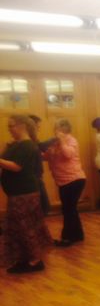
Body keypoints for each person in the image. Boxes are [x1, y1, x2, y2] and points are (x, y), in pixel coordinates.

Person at [0, 115, 51, 273]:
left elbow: (17, 167)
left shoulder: (28, 145)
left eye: (11, 126)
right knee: (18, 228)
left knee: (26, 227)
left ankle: (35, 261)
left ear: (22, 126)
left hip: (24, 193)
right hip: (17, 193)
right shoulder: (18, 144)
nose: (9, 129)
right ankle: (25, 258)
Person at [43, 119, 87, 247]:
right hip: (63, 181)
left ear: (65, 129)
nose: (55, 131)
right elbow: (46, 156)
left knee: (68, 209)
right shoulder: (55, 143)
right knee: (70, 209)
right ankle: (78, 235)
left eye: (57, 128)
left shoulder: (71, 140)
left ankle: (67, 238)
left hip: (74, 180)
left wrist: (62, 140)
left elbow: (68, 154)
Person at [28, 115, 50, 215]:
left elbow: (39, 154)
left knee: (44, 207)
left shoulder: (34, 141)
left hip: (37, 177)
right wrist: (55, 139)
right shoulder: (26, 142)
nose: (38, 129)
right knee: (43, 206)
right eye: (37, 126)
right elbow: (41, 147)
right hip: (32, 179)